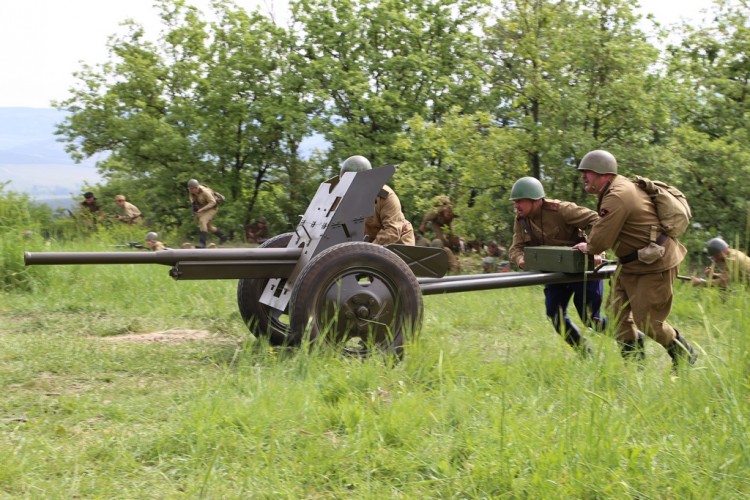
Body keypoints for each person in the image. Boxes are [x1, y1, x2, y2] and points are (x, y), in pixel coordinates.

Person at [573, 149, 697, 369]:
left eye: (588, 172)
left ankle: (685, 355)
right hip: (630, 264)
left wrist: (589, 246)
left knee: (650, 323)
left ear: (603, 174)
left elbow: (600, 240)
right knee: (616, 315)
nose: (583, 176)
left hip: (654, 264)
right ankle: (635, 369)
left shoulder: (617, 195)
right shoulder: (615, 189)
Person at [508, 176, 609, 356]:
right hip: (555, 272)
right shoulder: (521, 219)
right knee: (555, 315)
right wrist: (520, 259)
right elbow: (515, 248)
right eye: (515, 202)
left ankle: (632, 338)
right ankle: (586, 355)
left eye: (520, 201)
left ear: (535, 200)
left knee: (591, 320)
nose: (516, 206)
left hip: (581, 270)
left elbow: (598, 221)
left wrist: (596, 250)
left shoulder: (562, 210)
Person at [339, 155, 415, 245]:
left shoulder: (386, 196)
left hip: (398, 243)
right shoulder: (347, 199)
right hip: (370, 244)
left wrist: (368, 250)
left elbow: (392, 231)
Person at [187, 178, 228, 248]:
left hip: (212, 208)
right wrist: (194, 208)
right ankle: (222, 236)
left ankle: (202, 243)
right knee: (209, 228)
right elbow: (192, 199)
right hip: (203, 208)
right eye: (189, 189)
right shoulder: (191, 191)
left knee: (202, 221)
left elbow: (213, 202)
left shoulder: (205, 192)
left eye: (192, 189)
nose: (190, 191)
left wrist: (202, 209)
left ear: (196, 187)